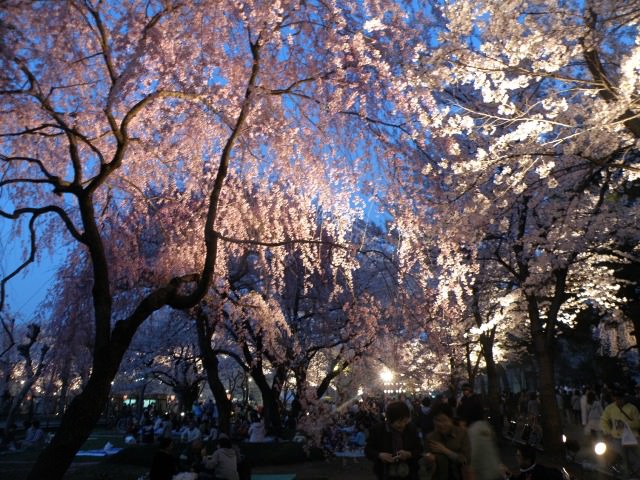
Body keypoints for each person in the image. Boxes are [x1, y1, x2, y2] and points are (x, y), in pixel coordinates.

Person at [365, 400, 422, 480]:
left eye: (405, 421)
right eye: (399, 422)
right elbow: (368, 450)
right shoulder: (378, 430)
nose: (402, 425)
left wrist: (409, 454)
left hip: (409, 473)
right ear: (389, 420)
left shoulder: (411, 428)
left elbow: (420, 449)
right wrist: (379, 455)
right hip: (385, 473)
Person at [600, 387, 640, 477]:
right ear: (613, 398)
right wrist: (608, 431)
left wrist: (626, 424)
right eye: (616, 398)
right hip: (617, 437)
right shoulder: (609, 408)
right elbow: (603, 420)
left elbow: (638, 422)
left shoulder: (632, 408)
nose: (618, 400)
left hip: (633, 436)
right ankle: (626, 475)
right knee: (623, 458)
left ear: (624, 398)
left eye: (620, 398)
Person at [424, 403, 470, 480]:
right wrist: (430, 461)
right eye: (437, 420)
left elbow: (466, 460)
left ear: (451, 419)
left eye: (444, 420)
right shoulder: (430, 438)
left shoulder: (462, 434)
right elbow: (427, 467)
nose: (441, 424)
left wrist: (444, 450)